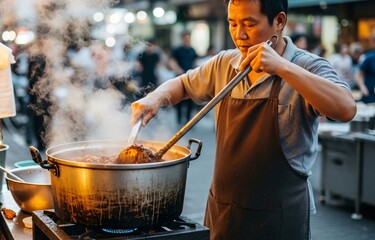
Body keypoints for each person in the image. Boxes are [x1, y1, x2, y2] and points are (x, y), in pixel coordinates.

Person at [127, 0, 356, 239]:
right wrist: (155, 97)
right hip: (223, 210)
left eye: (249, 24)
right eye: (232, 24)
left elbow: (345, 108)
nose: (239, 35)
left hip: (279, 216)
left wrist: (282, 67)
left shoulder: (308, 65)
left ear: (279, 21)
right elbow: (184, 84)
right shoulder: (225, 63)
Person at [169, 31, 198, 124]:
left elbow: (195, 62)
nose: (187, 39)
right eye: (185, 37)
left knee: (190, 99)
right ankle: (179, 119)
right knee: (179, 99)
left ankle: (188, 121)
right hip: (180, 78)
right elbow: (172, 61)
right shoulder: (178, 50)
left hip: (191, 78)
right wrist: (178, 70)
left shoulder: (192, 50)